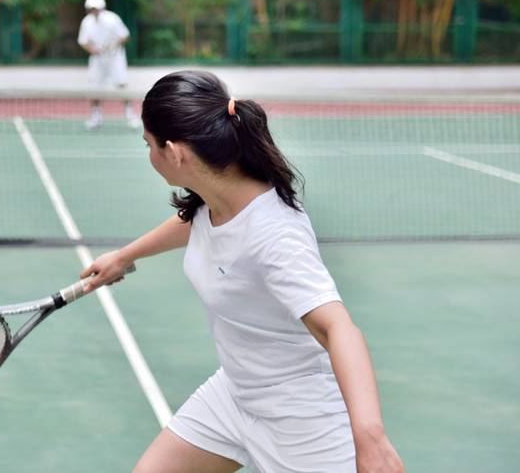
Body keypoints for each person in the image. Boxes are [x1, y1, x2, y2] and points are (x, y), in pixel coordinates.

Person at [81, 70, 404, 473]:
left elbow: (338, 328)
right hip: (236, 394)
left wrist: (370, 439)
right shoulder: (220, 195)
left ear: (175, 152)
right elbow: (198, 222)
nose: (147, 155)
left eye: (148, 144)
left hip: (301, 419)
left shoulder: (275, 235)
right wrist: (125, 255)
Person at [77, 0, 140, 130]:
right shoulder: (86, 22)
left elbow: (125, 35)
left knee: (122, 84)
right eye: (91, 8)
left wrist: (113, 45)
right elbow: (83, 41)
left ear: (102, 8)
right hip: (97, 60)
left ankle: (131, 116)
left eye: (96, 8)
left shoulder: (112, 19)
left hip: (115, 58)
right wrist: (92, 50)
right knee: (94, 88)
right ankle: (96, 118)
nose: (94, 11)